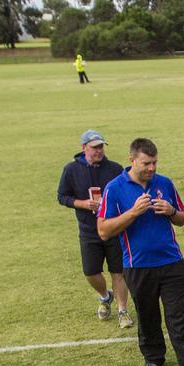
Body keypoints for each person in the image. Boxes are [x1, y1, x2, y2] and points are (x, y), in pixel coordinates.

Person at [97, 138, 184, 366]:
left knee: (178, 318)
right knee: (147, 316)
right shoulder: (114, 188)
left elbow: (182, 219)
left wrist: (171, 211)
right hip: (138, 266)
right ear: (132, 160)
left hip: (172, 263)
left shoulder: (164, 183)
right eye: (146, 163)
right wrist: (133, 213)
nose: (152, 168)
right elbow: (104, 230)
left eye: (155, 162)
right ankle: (153, 358)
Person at [57, 129, 133, 327]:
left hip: (113, 228)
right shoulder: (71, 170)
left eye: (101, 147)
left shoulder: (115, 169)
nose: (99, 151)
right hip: (88, 231)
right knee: (91, 272)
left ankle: (122, 311)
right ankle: (104, 296)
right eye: (94, 147)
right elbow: (62, 196)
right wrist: (82, 204)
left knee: (118, 272)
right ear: (84, 148)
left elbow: (126, 192)